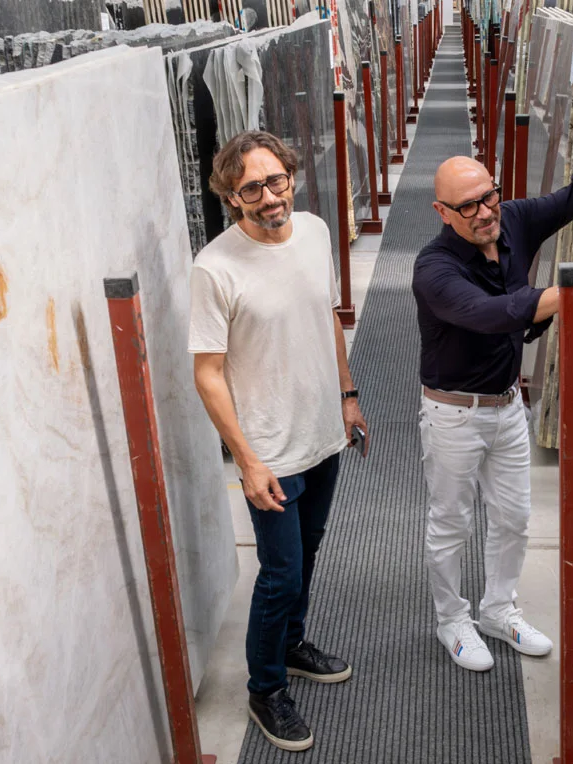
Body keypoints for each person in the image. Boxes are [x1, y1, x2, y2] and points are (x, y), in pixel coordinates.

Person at [412, 65, 573, 672]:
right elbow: (493, 314)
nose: (487, 211)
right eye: (469, 207)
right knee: (449, 523)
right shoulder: (433, 270)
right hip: (453, 415)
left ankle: (499, 609)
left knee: (514, 517)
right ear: (443, 211)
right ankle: (451, 619)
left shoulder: (511, 218)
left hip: (507, 405)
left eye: (489, 195)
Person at [188, 130, 368, 752]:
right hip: (269, 451)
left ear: (291, 176)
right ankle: (265, 688)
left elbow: (327, 319)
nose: (269, 198)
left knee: (308, 551)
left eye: (276, 181)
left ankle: (289, 645)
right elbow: (207, 373)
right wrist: (246, 460)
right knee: (280, 572)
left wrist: (347, 396)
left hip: (321, 431)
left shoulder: (316, 231)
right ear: (231, 198)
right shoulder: (214, 268)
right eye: (251, 189)